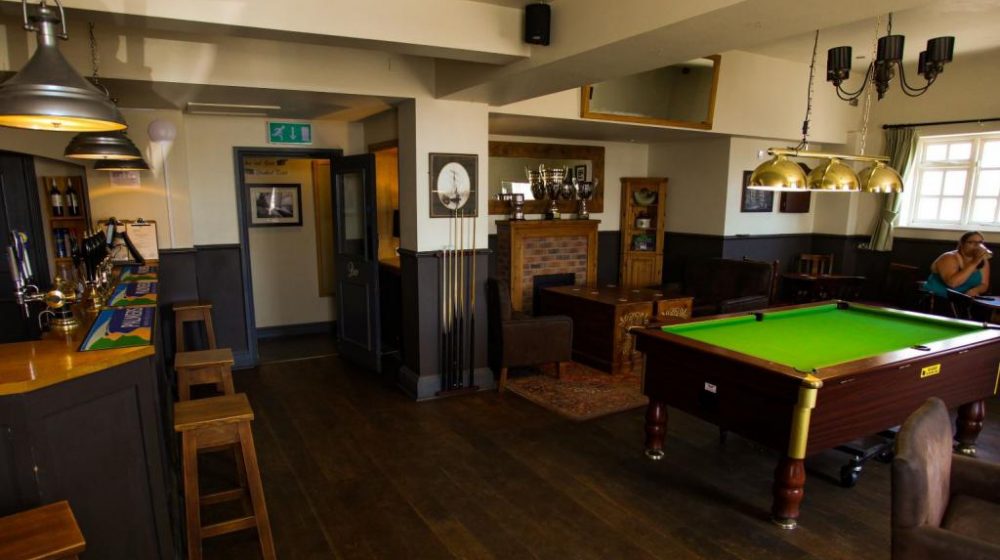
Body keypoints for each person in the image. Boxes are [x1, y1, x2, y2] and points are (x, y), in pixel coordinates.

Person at [924, 231, 992, 298]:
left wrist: (975, 290)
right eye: (971, 242)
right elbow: (952, 283)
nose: (977, 245)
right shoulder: (948, 257)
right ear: (962, 244)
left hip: (963, 300)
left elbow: (984, 284)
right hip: (937, 298)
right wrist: (975, 262)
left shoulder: (982, 260)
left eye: (980, 242)